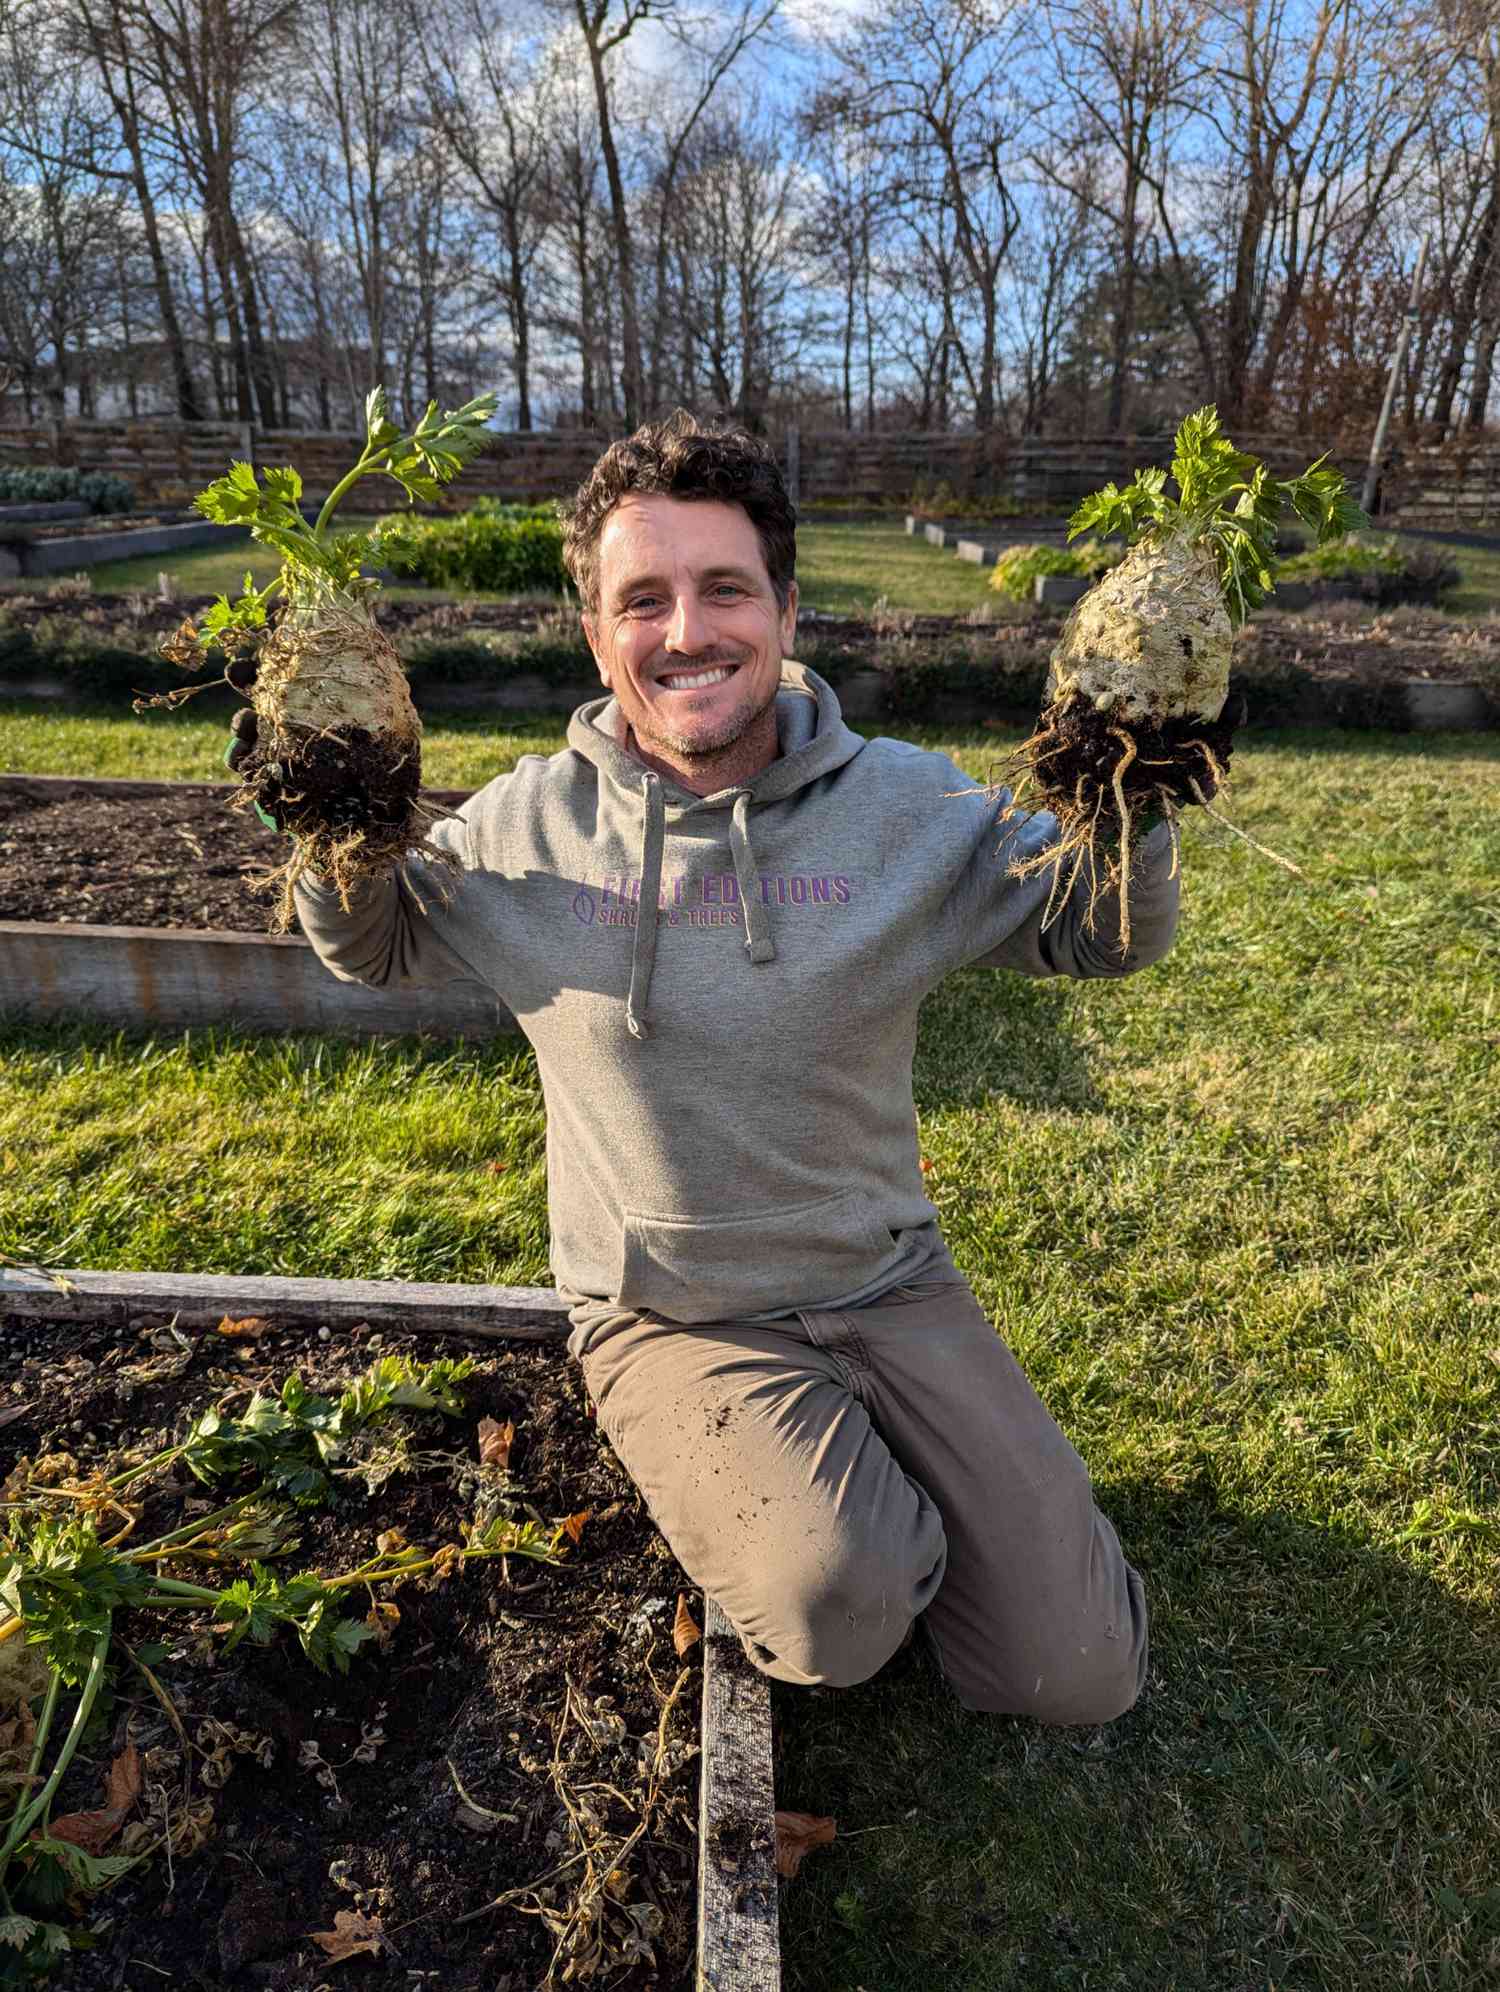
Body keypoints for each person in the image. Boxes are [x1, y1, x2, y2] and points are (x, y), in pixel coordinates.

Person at [248, 413, 1191, 1723]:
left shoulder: (911, 811)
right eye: (643, 600)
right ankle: (828, 1513)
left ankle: (908, 1507)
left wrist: (1134, 786)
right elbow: (374, 944)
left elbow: (1100, 935)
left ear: (786, 610)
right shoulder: (527, 825)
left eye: (724, 589)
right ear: (598, 633)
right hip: (671, 1310)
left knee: (1082, 1676)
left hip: (888, 1279)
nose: (686, 632)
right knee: (839, 1609)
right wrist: (331, 815)